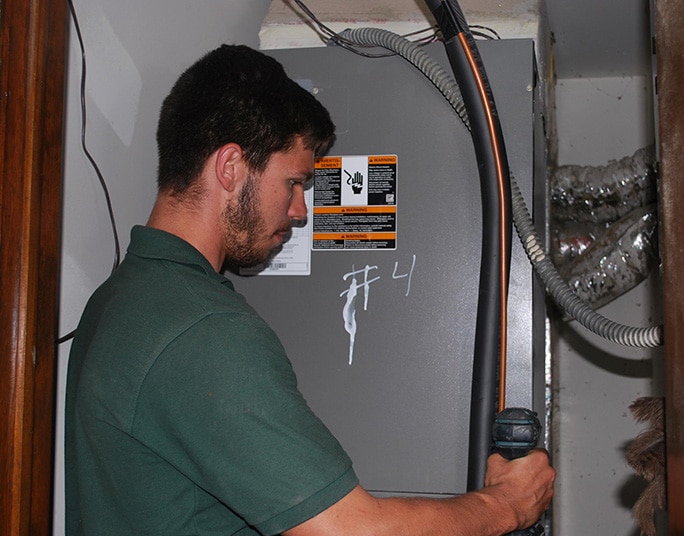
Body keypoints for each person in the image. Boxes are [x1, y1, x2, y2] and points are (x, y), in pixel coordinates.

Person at [64, 44, 555, 536]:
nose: (300, 211)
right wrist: (506, 505)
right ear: (230, 167)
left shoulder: (113, 304)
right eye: (294, 182)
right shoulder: (203, 329)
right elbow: (349, 530)